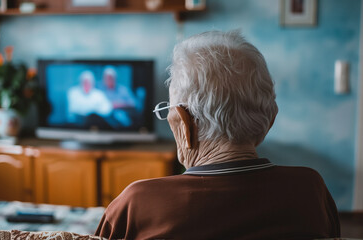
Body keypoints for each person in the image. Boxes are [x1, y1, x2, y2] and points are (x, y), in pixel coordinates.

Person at [95, 31, 340, 239]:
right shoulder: (310, 190)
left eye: (167, 111)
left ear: (184, 122)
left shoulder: (138, 203)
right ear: (270, 119)